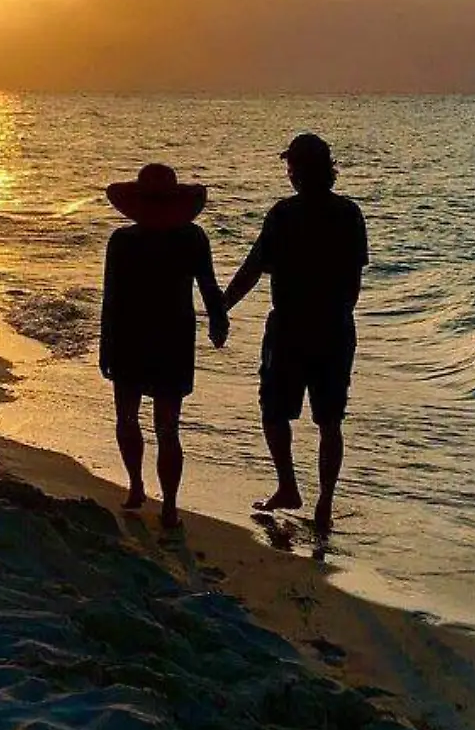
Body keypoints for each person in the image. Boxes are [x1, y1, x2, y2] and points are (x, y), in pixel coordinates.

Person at [223, 133, 368, 537]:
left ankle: (288, 484)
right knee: (330, 420)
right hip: (336, 327)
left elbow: (252, 268)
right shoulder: (349, 214)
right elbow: (354, 282)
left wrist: (220, 308)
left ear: (299, 172)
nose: (289, 175)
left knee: (273, 409)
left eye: (291, 168)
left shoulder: (284, 215)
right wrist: (337, 316)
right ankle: (324, 502)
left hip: (289, 326)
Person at [100, 163, 229, 529]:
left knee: (129, 418)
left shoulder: (124, 241)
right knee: (166, 427)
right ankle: (166, 503)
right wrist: (218, 321)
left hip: (131, 337)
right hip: (171, 338)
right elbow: (209, 287)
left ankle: (139, 487)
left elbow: (111, 300)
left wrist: (105, 347)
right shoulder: (191, 237)